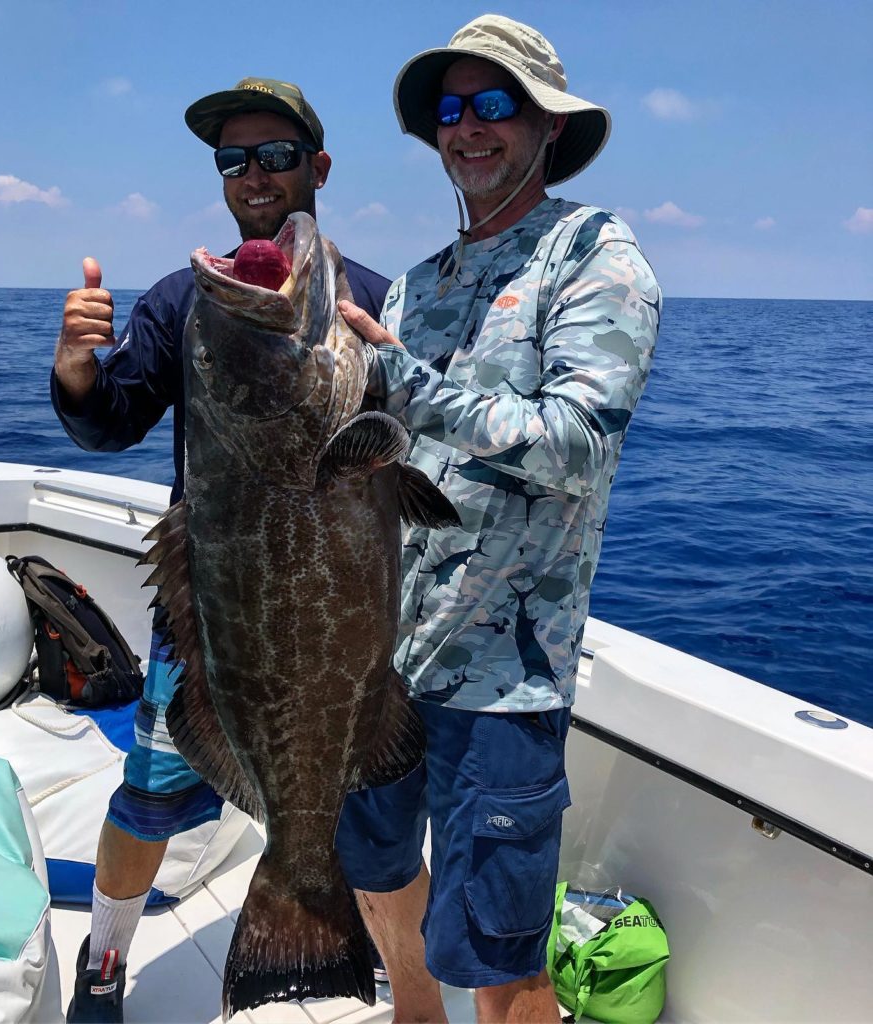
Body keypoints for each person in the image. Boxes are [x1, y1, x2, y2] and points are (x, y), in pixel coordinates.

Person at [334, 15, 661, 1024]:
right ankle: (412, 1015)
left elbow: (573, 448)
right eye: (452, 108)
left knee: (502, 953)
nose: (469, 127)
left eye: (496, 104)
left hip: (503, 679)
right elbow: (388, 451)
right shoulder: (421, 283)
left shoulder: (593, 254)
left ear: (548, 125)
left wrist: (402, 378)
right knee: (375, 861)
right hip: (376, 659)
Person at [52, 77, 390, 1023]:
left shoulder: (368, 303)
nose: (253, 175)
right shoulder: (182, 301)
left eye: (275, 155)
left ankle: (377, 963)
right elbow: (110, 422)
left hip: (338, 623)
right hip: (216, 616)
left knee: (367, 815)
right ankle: (107, 960)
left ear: (316, 168)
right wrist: (78, 378)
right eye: (232, 159)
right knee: (150, 793)